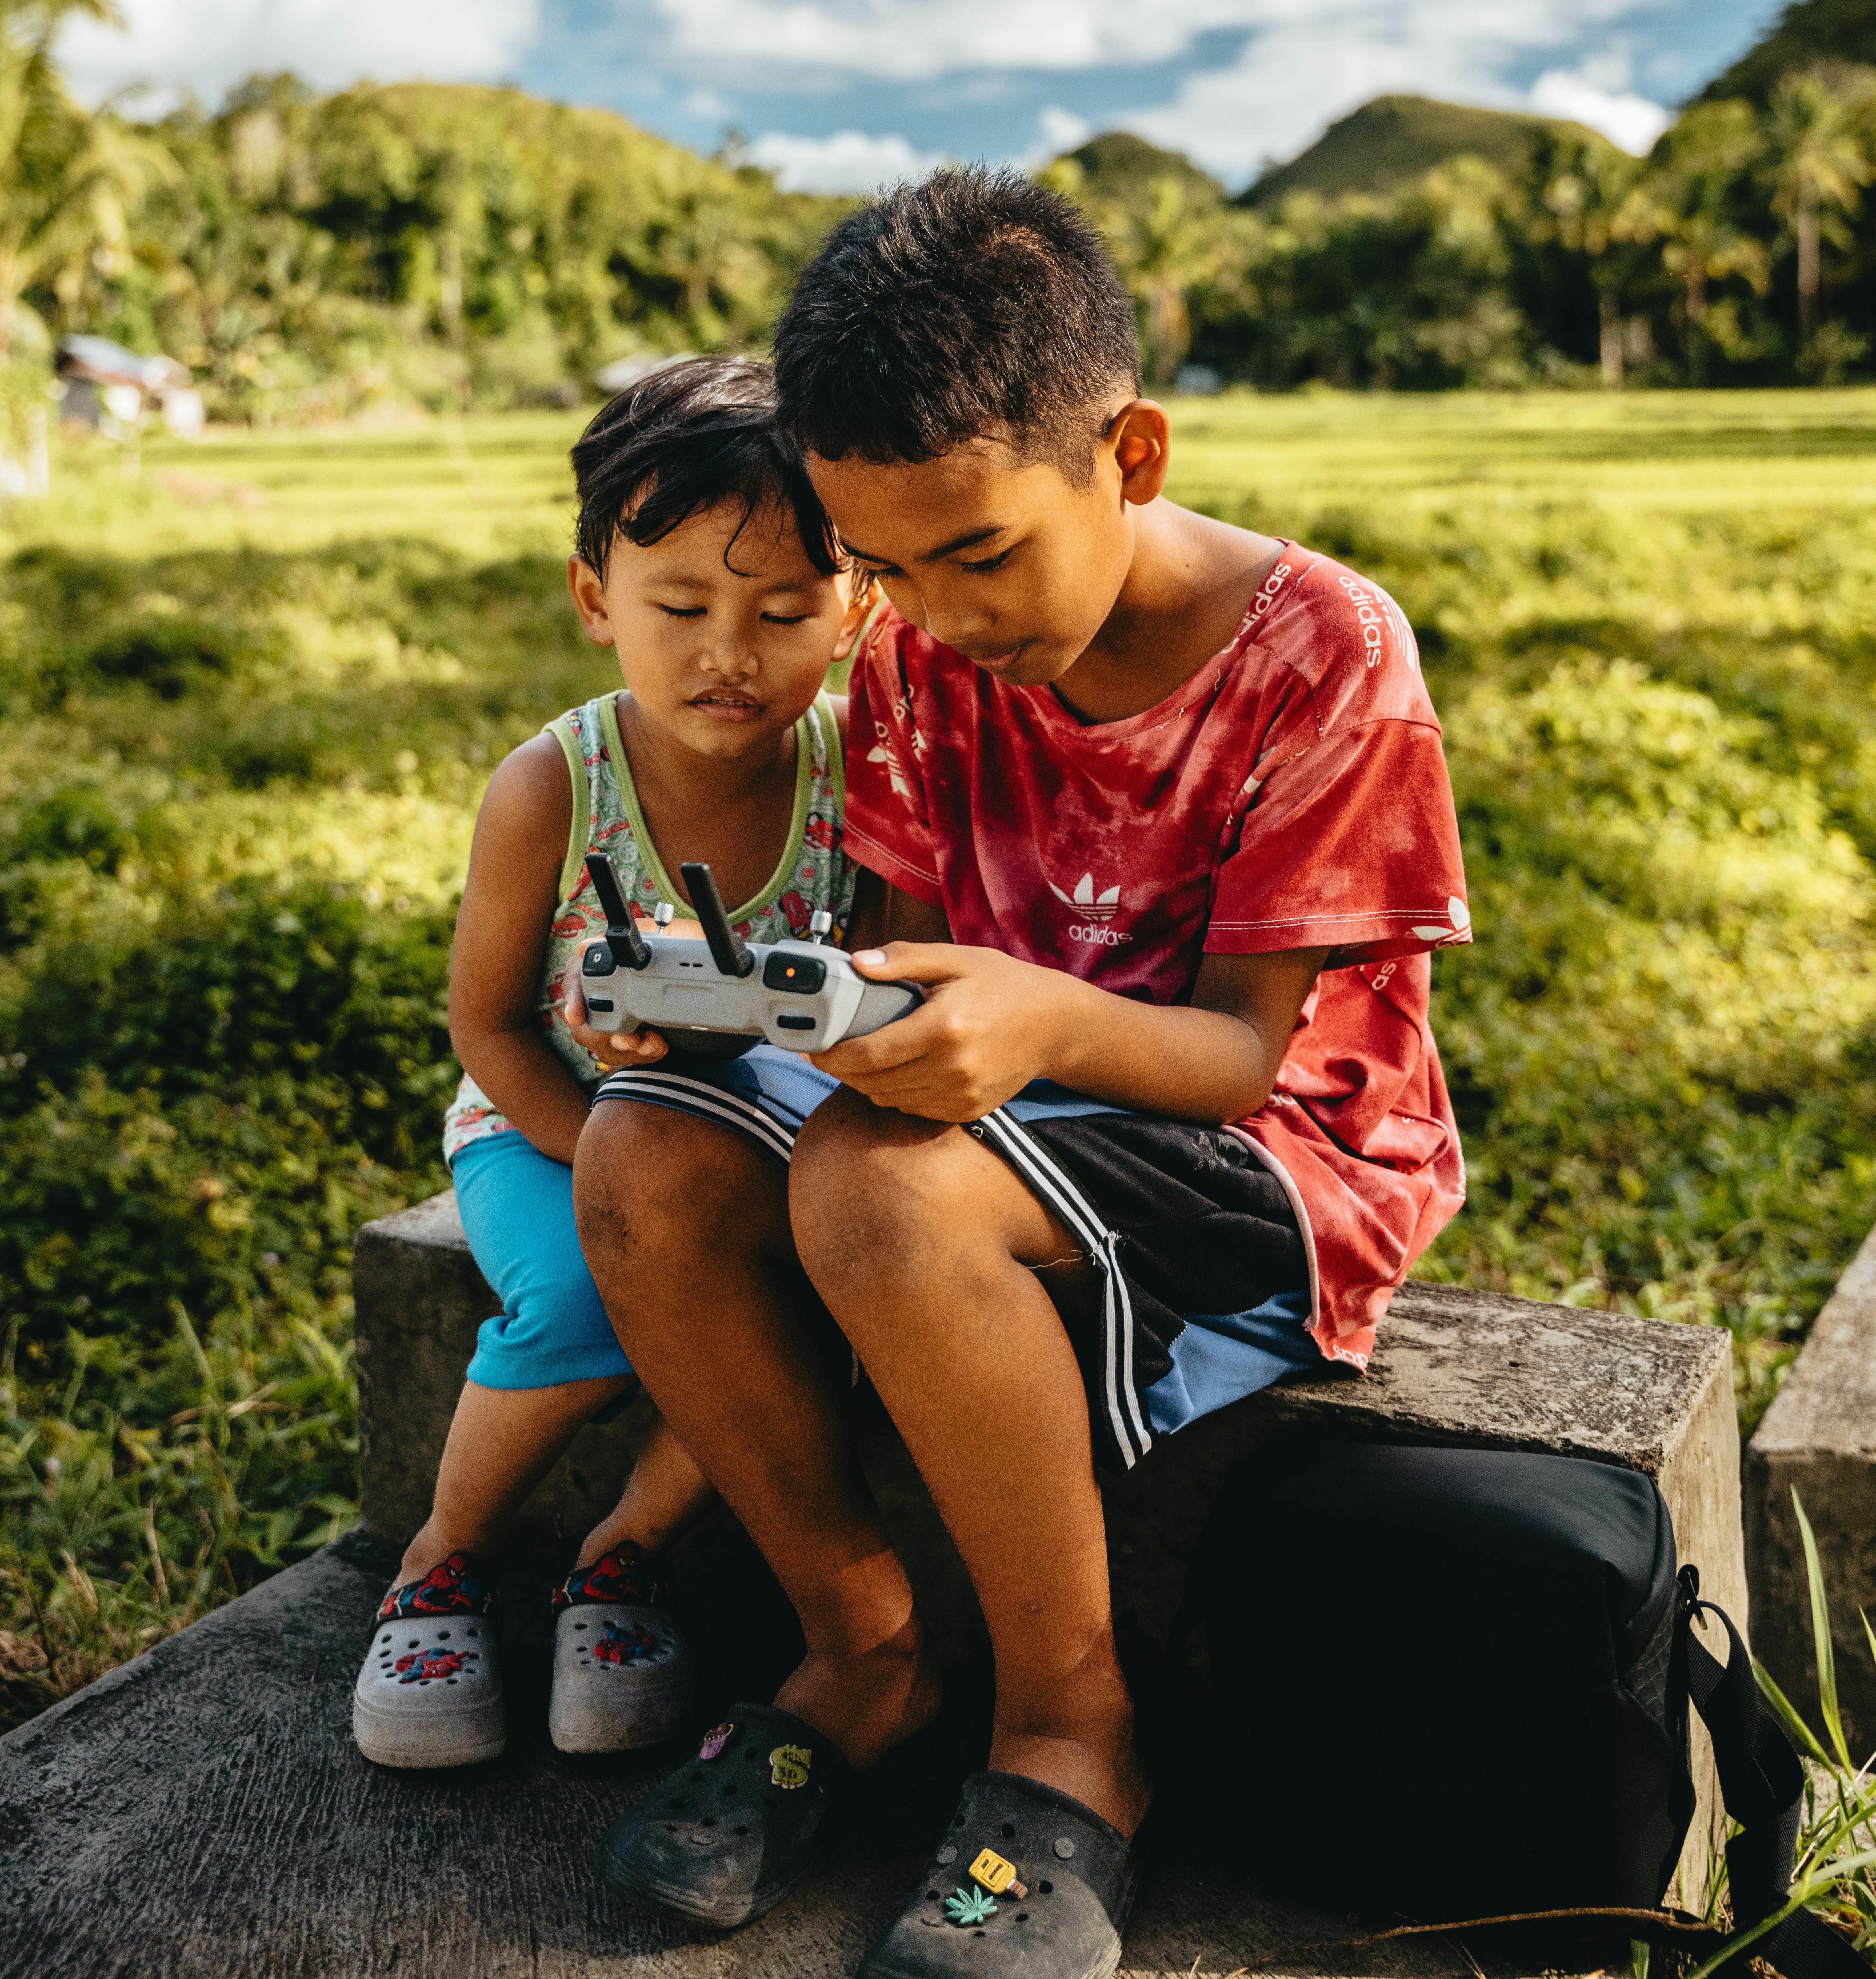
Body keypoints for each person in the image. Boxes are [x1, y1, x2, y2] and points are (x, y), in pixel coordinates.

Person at [571, 169, 1471, 1979]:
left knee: (877, 1189)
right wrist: (738, 1014)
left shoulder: (1321, 656)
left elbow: (1238, 1057)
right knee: (644, 1160)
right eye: (883, 568)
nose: (936, 615)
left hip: (1274, 1147)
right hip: (1001, 1104)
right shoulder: (917, 653)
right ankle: (865, 1645)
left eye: (976, 553)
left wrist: (1040, 1023)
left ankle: (1071, 1734)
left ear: (1126, 453)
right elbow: (895, 976)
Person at [351, 356, 875, 1770]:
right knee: (594, 1285)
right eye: (681, 608)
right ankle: (444, 1557)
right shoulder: (555, 787)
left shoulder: (854, 780)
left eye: (784, 613)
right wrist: (602, 1164)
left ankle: (621, 1555)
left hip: (751, 1140)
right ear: (597, 601)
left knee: (814, 1298)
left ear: (859, 609)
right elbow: (488, 1025)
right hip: (543, 1129)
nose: (730, 653)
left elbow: (882, 999)